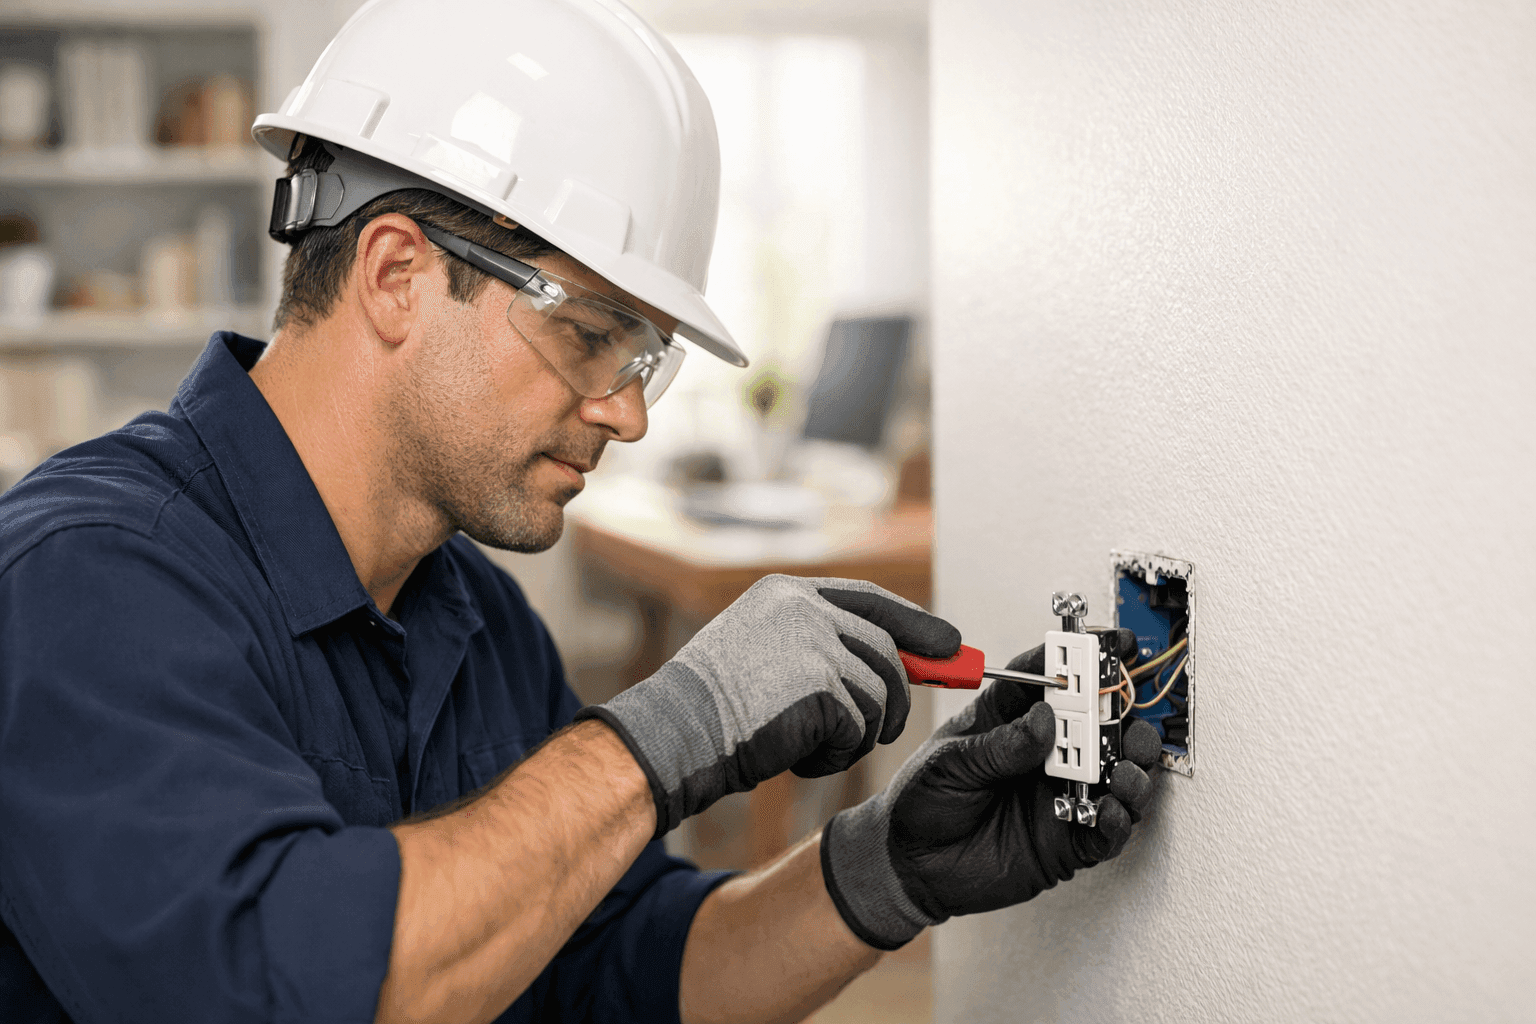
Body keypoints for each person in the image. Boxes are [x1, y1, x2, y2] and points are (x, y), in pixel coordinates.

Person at [0, 1, 1160, 1021]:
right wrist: (664, 735)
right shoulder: (90, 578)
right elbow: (273, 984)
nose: (628, 413)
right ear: (397, 274)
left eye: (643, 357)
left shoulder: (477, 621)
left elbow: (622, 970)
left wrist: (881, 871)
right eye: (590, 333)